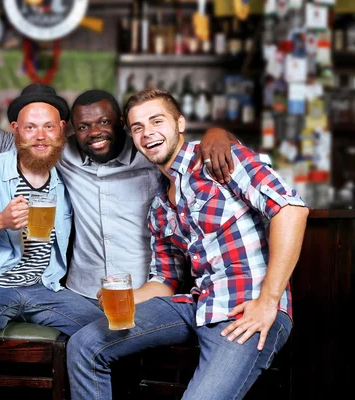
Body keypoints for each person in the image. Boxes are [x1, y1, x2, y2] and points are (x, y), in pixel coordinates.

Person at [67, 88, 310, 399]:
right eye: (138, 127)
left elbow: (290, 208)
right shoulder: (158, 205)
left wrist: (268, 302)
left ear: (180, 123)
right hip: (195, 305)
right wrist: (126, 296)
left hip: (245, 308)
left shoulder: (219, 158)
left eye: (157, 121)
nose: (148, 133)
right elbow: (165, 282)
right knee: (84, 345)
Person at [0, 89, 237, 303]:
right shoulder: (61, 152)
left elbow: (187, 146)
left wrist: (218, 132)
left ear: (121, 122)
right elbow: (7, 139)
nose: (95, 132)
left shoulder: (149, 153)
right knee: (87, 353)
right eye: (83, 126)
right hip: (81, 291)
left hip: (145, 289)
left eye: (104, 123)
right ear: (71, 130)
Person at [0, 84, 104, 400]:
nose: (39, 136)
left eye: (47, 127)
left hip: (45, 288)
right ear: (15, 130)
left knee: (113, 331)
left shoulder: (68, 179)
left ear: (61, 130)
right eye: (30, 127)